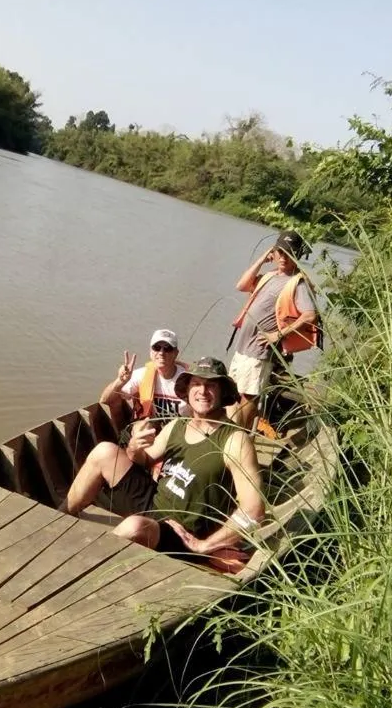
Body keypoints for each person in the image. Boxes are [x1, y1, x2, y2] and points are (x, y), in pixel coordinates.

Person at [62, 357, 265, 571]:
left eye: (211, 385)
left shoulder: (235, 440)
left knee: (134, 527)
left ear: (223, 392)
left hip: (184, 533)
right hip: (154, 503)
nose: (202, 391)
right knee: (105, 451)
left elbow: (254, 510)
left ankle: (92, 568)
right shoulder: (177, 425)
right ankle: (60, 516)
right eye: (196, 384)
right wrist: (134, 448)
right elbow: (145, 459)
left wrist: (205, 545)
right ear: (186, 390)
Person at [226, 230, 319, 431]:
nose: (284, 258)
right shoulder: (270, 276)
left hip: (259, 352)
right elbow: (242, 285)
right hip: (243, 348)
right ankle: (231, 435)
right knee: (233, 394)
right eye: (280, 252)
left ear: (297, 256)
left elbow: (310, 315)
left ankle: (238, 437)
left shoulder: (298, 282)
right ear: (274, 252)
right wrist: (263, 257)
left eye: (289, 254)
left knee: (249, 397)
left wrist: (277, 335)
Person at [99, 329, 190, 424]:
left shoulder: (188, 379)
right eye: (157, 347)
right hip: (151, 429)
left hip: (180, 431)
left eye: (168, 348)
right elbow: (105, 400)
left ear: (176, 353)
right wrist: (120, 381)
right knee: (143, 427)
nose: (161, 353)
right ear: (151, 351)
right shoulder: (142, 375)